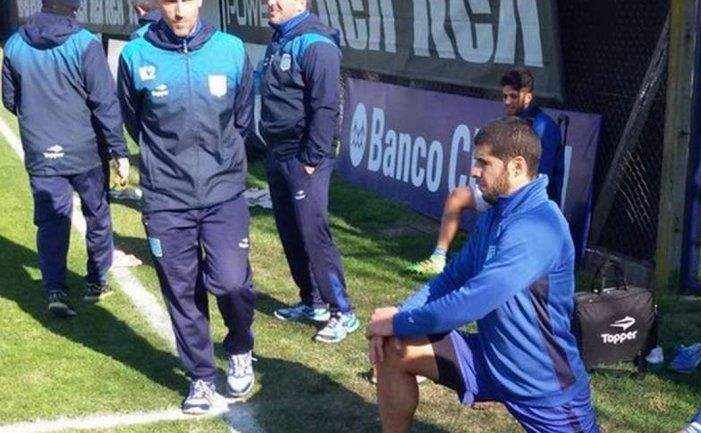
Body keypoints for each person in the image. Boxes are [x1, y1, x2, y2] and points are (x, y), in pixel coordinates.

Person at [367, 117, 598, 433]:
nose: (474, 171)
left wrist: (396, 321)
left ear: (516, 166)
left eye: (483, 162)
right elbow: (451, 279)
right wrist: (399, 320)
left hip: (543, 388)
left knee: (397, 331)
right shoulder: (498, 213)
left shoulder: (538, 226)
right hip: (487, 360)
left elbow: (471, 301)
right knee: (394, 348)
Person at [117, 0, 257, 414]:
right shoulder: (135, 54)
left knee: (232, 283)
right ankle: (200, 376)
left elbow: (242, 118)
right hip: (166, 199)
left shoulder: (230, 50)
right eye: (169, 0)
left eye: (186, 0)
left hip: (223, 192)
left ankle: (239, 347)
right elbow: (133, 120)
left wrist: (221, 162)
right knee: (182, 292)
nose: (178, 10)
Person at [2, 0, 129, 317]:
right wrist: (118, 150)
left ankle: (55, 289)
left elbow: (9, 99)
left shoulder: (16, 43)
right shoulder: (85, 43)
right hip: (85, 150)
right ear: (75, 8)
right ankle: (96, 281)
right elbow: (104, 101)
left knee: (50, 222)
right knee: (96, 215)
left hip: (41, 149)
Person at [257, 0, 359, 344]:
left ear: (301, 2)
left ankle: (343, 312)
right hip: (277, 152)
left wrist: (312, 158)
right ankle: (311, 300)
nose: (270, 2)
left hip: (303, 157)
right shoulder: (280, 40)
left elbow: (326, 106)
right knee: (290, 231)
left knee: (314, 234)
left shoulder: (316, 43)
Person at [406, 68, 563, 276]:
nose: (507, 101)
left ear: (528, 96)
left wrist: (506, 195)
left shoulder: (544, 127)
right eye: (504, 96)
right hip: (502, 190)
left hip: (524, 200)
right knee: (457, 197)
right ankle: (438, 259)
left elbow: (541, 176)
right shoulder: (509, 124)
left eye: (513, 96)